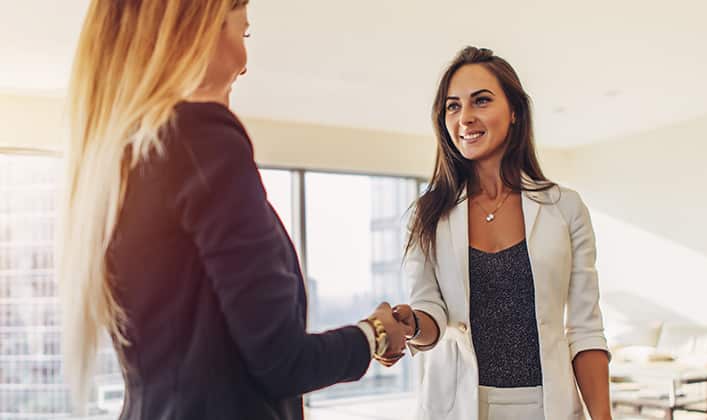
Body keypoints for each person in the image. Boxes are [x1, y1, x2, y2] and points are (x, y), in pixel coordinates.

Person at [56, 1, 406, 419]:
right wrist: (377, 333)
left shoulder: (117, 157)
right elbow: (283, 362)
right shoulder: (201, 139)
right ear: (200, 30)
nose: (244, 63)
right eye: (244, 33)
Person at [391, 46, 612, 420]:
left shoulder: (565, 208)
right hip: (458, 406)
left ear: (514, 112)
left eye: (481, 101)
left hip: (546, 406)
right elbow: (431, 316)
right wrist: (410, 324)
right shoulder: (427, 214)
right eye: (453, 106)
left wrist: (603, 417)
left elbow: (585, 329)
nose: (465, 118)